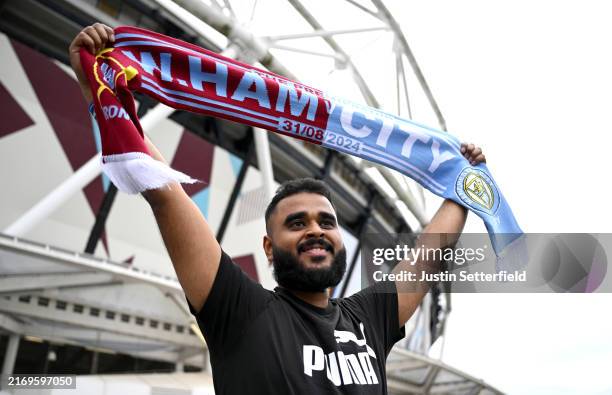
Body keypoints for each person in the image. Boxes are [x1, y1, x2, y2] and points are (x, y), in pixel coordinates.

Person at [69, 23, 486, 394]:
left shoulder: (367, 318)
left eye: (327, 221)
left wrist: (462, 182)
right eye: (297, 223)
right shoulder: (239, 308)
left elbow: (429, 256)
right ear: (269, 248)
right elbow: (165, 192)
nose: (316, 230)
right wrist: (98, 94)